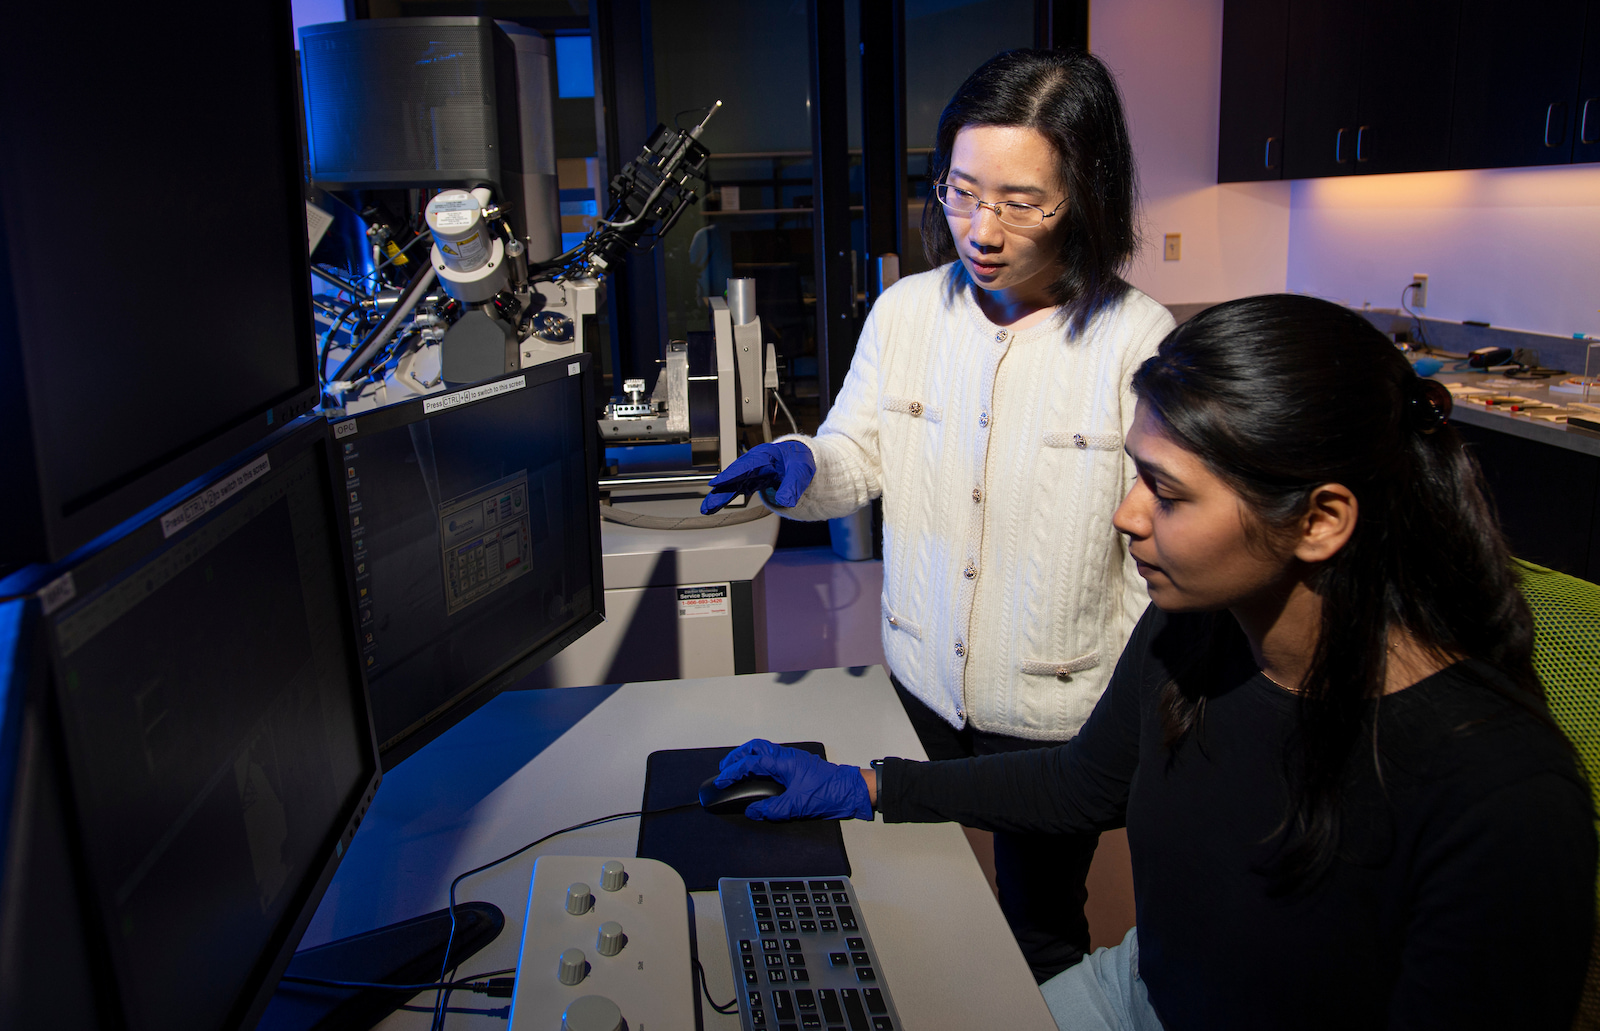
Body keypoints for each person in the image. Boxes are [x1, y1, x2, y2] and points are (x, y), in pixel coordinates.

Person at [712, 294, 1597, 1030]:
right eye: (1136, 473)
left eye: (1167, 492)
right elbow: (1080, 785)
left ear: (1321, 519)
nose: (1125, 515)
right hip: (1140, 992)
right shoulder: (1201, 629)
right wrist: (870, 787)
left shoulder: (1502, 797)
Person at [701, 49, 1175, 981]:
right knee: (905, 894)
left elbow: (1153, 555)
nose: (981, 230)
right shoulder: (907, 312)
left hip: (1059, 708)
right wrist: (797, 464)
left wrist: (1125, 704)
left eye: (1020, 202)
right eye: (961, 193)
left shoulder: (1136, 339)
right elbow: (856, 454)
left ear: (1086, 193)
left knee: (1039, 925)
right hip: (917, 680)